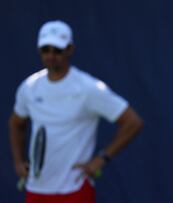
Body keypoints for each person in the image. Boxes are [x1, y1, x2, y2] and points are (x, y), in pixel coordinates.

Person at [9, 20, 143, 203]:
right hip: (36, 189)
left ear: (69, 49)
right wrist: (18, 161)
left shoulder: (89, 88)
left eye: (57, 50)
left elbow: (132, 122)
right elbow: (16, 123)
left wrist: (102, 158)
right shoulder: (29, 87)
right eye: (45, 49)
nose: (50, 55)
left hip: (75, 190)